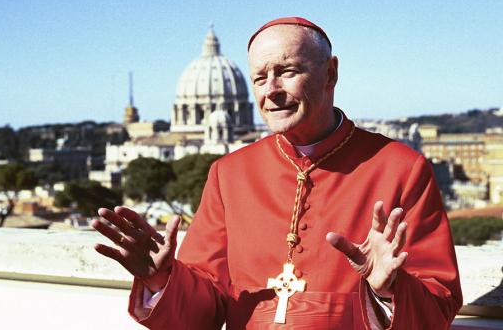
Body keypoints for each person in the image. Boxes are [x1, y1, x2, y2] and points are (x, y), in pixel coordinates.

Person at [92, 17, 462, 329]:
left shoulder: (401, 167)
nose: (272, 91)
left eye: (287, 72)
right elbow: (207, 309)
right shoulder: (228, 174)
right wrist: (163, 278)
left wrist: (388, 289)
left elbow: (439, 304)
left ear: (330, 73)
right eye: (259, 78)